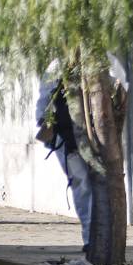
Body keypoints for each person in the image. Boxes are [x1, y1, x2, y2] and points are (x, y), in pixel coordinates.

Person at [35, 63, 92, 253]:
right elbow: (44, 102)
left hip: (92, 137)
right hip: (67, 139)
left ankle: (94, 237)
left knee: (85, 186)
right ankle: (91, 238)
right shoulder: (56, 66)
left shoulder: (102, 60)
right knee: (82, 184)